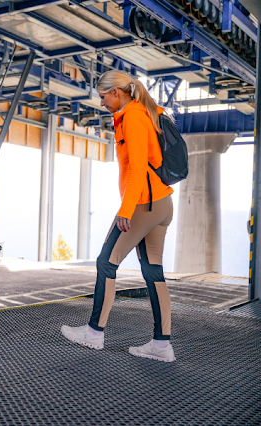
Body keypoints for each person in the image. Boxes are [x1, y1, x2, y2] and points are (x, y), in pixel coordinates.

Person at [61, 70, 176, 362]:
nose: (101, 103)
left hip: (143, 204)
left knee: (106, 263)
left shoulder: (134, 117)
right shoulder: (139, 113)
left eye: (103, 96)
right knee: (153, 273)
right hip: (160, 203)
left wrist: (125, 211)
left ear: (116, 92)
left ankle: (94, 333)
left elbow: (138, 168)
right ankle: (162, 345)